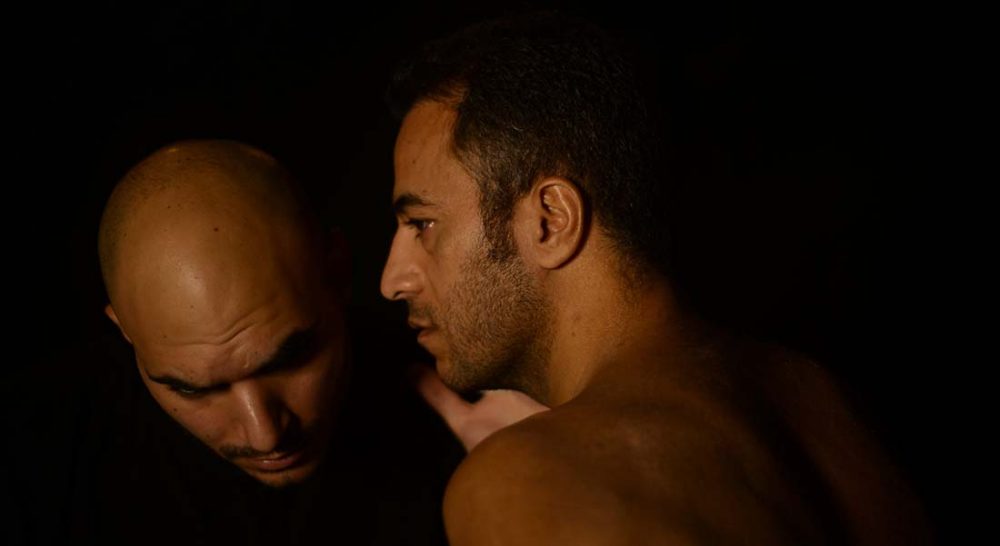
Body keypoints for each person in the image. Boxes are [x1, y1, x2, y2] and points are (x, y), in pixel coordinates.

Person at [381, 12, 932, 546]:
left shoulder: (518, 479)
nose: (392, 280)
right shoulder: (819, 399)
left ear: (551, 220)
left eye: (421, 224)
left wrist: (529, 476)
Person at [7, 139, 462, 545]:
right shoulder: (41, 459)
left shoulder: (474, 408)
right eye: (194, 389)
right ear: (125, 329)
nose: (265, 433)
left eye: (290, 360)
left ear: (338, 272)